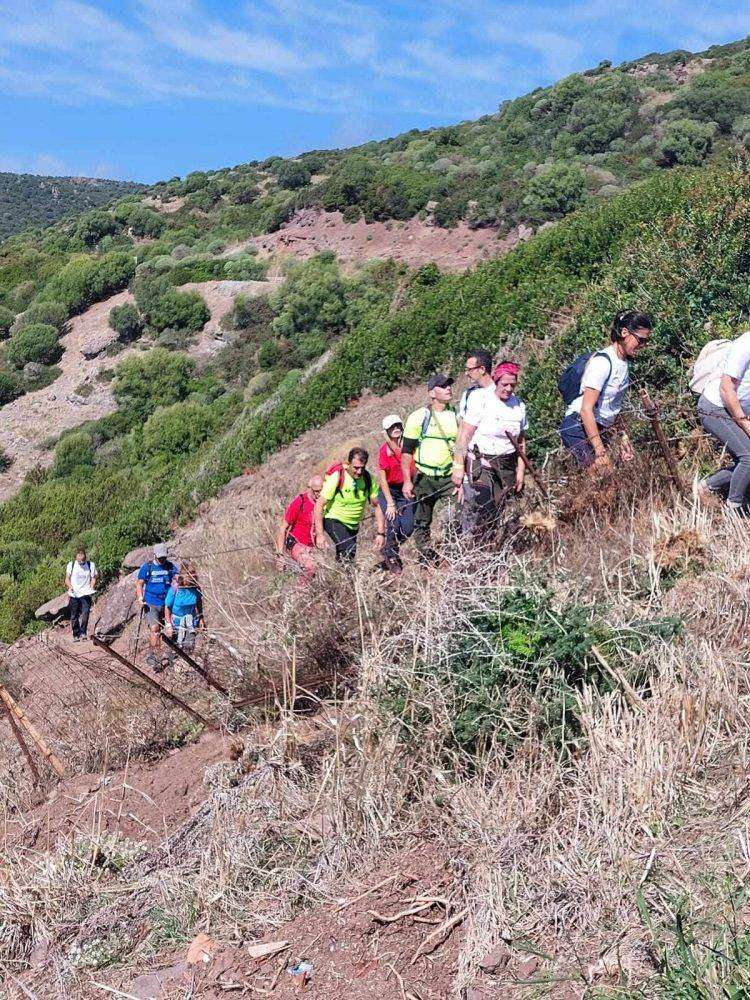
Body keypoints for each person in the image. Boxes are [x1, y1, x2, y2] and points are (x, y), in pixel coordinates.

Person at [558, 310, 652, 472]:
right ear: (624, 333)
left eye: (646, 341)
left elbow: (612, 407)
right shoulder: (602, 363)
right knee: (602, 479)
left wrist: (623, 437)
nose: (643, 345)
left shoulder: (623, 364)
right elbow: (586, 409)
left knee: (607, 482)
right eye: (640, 340)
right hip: (578, 426)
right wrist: (600, 451)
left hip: (598, 429)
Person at [452, 362, 527, 535]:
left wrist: (520, 473)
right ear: (496, 381)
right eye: (504, 384)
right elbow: (464, 435)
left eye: (512, 385)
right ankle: (478, 548)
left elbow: (521, 442)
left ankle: (494, 546)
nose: (508, 389)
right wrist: (458, 466)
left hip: (507, 465)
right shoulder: (481, 400)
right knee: (484, 508)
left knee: (501, 509)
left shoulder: (519, 406)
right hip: (482, 463)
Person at [402, 374, 459, 565]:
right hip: (424, 478)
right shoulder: (419, 417)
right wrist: (407, 481)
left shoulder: (457, 416)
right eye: (443, 386)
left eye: (449, 385)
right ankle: (427, 557)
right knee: (422, 520)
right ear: (432, 393)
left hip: (449, 477)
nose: (448, 389)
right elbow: (407, 451)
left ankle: (452, 556)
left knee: (454, 518)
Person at [698, 329, 750, 513]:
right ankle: (734, 509)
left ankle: (705, 487)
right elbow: (726, 389)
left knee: (745, 459)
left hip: (735, 409)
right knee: (748, 457)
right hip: (715, 407)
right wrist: (744, 422)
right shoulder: (746, 344)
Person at [314, 448, 386, 563]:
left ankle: (341, 578)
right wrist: (320, 534)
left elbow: (377, 505)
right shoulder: (338, 477)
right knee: (349, 548)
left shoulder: (368, 479)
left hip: (353, 525)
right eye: (356, 468)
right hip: (333, 520)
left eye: (362, 468)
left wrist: (381, 533)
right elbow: (319, 505)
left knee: (347, 556)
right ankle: (352, 577)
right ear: (348, 464)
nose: (359, 472)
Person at [458, 350, 496, 534]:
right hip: (474, 461)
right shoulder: (469, 395)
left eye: (469, 369)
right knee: (473, 506)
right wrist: (459, 463)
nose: (467, 373)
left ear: (482, 369)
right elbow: (463, 431)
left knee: (494, 505)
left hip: (498, 459)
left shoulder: (499, 391)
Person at [377, 415, 416, 573]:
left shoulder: (409, 446)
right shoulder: (384, 451)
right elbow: (383, 480)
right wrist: (390, 504)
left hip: (405, 489)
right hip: (389, 491)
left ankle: (389, 547)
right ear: (387, 431)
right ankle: (391, 557)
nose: (396, 429)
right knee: (393, 523)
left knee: (408, 527)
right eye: (392, 427)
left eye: (398, 425)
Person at [136, 543, 179, 671]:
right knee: (155, 628)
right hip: (151, 603)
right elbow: (139, 584)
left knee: (170, 630)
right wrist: (140, 597)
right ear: (154, 555)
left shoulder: (170, 566)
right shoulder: (147, 567)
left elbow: (178, 578)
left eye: (164, 557)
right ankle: (155, 658)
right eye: (160, 557)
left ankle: (171, 655)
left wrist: (176, 586)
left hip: (167, 604)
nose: (162, 560)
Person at [275, 475, 323, 583]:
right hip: (296, 544)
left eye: (321, 491)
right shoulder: (300, 502)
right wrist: (279, 555)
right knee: (310, 566)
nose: (318, 494)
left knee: (325, 567)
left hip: (313, 546)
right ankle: (300, 594)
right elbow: (283, 528)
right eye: (316, 491)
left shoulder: (323, 503)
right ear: (310, 488)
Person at [165, 569, 204, 652]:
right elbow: (167, 607)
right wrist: (168, 625)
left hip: (191, 622)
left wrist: (201, 618)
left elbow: (198, 602)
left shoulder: (195, 589)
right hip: (176, 623)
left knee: (188, 648)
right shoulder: (175, 590)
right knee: (174, 649)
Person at [65, 549, 97, 642]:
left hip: (85, 593)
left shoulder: (91, 565)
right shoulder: (71, 565)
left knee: (86, 612)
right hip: (74, 593)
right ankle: (76, 634)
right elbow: (67, 579)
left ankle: (83, 632)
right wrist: (70, 586)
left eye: (83, 560)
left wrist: (91, 587)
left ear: (85, 558)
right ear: (76, 558)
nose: (81, 562)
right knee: (74, 615)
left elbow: (93, 578)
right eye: (79, 561)